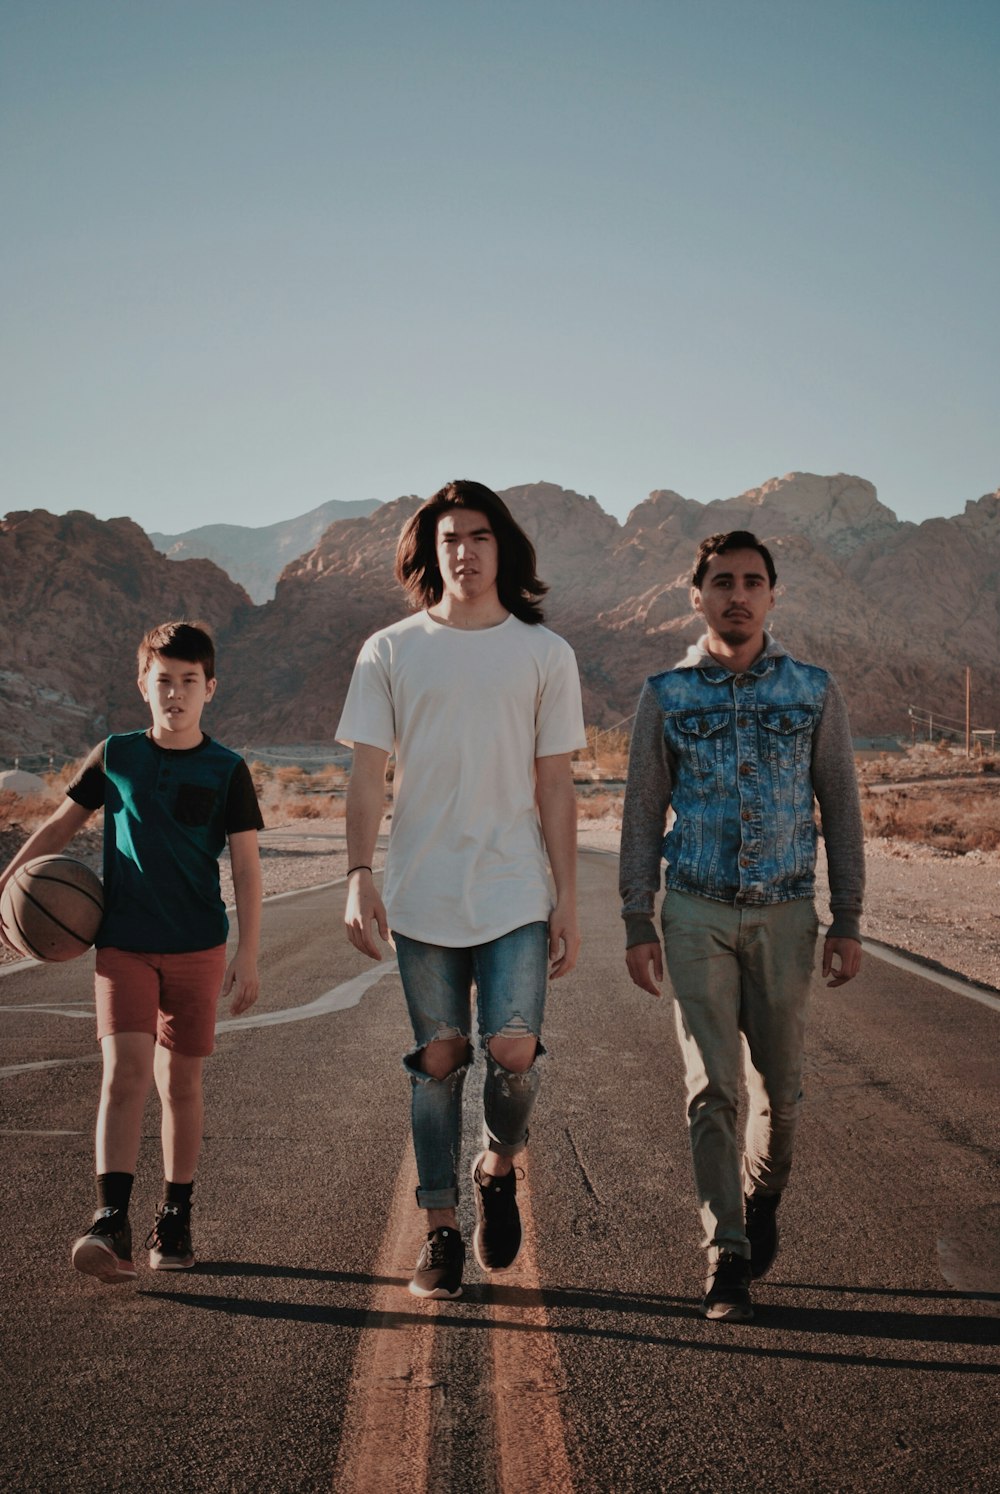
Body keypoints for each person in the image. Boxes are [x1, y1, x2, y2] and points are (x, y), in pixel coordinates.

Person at [338, 479, 586, 1300]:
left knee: (512, 1049)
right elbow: (368, 776)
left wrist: (568, 901)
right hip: (421, 890)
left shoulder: (545, 654)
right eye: (450, 538)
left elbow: (556, 786)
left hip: (515, 886)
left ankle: (499, 1163)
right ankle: (441, 1231)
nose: (465, 552)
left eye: (480, 536)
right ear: (430, 551)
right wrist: (358, 873)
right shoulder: (390, 649)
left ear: (501, 548)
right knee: (439, 1059)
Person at [620, 531, 864, 1322]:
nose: (738, 594)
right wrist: (636, 916)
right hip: (694, 911)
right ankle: (724, 1255)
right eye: (722, 581)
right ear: (696, 596)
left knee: (782, 1095)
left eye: (753, 582)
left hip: (787, 914)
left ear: (772, 594)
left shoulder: (813, 691)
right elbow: (640, 813)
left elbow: (843, 808)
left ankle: (763, 1198)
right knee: (712, 1089)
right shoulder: (666, 694)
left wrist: (848, 916)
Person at [0, 621, 263, 1283]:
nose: (175, 693)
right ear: (142, 685)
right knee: (124, 1076)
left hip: (199, 949)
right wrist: (6, 886)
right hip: (123, 947)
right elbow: (61, 826)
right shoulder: (115, 755)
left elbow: (249, 870)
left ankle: (175, 1213)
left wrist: (250, 954)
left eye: (188, 682)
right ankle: (109, 1218)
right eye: (163, 680)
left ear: (210, 689)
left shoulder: (228, 769)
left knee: (180, 1085)